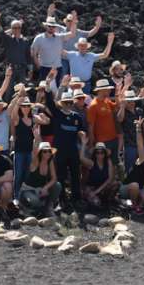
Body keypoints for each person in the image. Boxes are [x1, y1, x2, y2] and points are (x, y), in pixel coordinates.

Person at [45, 70, 86, 206]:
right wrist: (48, 84)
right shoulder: (57, 114)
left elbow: (82, 130)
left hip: (73, 150)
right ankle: (61, 199)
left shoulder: (76, 117)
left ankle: (76, 198)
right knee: (60, 176)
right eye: (65, 102)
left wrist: (82, 134)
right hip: (60, 151)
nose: (68, 105)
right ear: (61, 103)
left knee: (75, 175)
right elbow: (49, 101)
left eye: (70, 102)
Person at [9, 86, 50, 198]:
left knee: (27, 175)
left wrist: (44, 116)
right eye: (24, 106)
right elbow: (13, 114)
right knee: (18, 175)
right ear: (20, 107)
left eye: (28, 106)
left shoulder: (33, 118)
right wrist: (19, 100)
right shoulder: (17, 118)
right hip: (19, 151)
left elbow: (47, 122)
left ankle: (24, 196)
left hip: (30, 151)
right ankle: (16, 197)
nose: (26, 107)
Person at [19, 131, 62, 216]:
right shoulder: (35, 162)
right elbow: (34, 152)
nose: (48, 153)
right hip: (28, 190)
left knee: (57, 185)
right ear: (40, 153)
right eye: (44, 151)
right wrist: (36, 138)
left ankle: (48, 207)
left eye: (49, 151)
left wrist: (46, 187)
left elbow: (54, 178)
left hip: (40, 190)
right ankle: (25, 208)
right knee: (35, 201)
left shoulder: (50, 161)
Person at [57, 6, 102, 75]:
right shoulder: (61, 29)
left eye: (72, 21)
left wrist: (97, 26)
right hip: (63, 58)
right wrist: (49, 13)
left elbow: (90, 33)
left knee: (75, 77)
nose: (70, 23)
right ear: (65, 22)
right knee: (63, 76)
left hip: (74, 59)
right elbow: (49, 26)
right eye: (69, 21)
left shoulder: (79, 32)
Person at [86, 78, 122, 162]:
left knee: (113, 164)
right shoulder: (93, 106)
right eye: (107, 89)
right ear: (101, 90)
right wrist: (92, 144)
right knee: (105, 166)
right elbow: (90, 127)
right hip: (102, 142)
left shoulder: (107, 101)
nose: (109, 91)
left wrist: (117, 94)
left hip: (114, 139)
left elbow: (117, 106)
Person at [31, 15, 76, 81]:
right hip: (44, 68)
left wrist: (74, 22)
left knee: (56, 90)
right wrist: (38, 65)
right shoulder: (39, 38)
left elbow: (73, 33)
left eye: (53, 26)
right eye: (49, 26)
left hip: (57, 68)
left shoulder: (60, 37)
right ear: (46, 26)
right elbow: (33, 52)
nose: (51, 28)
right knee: (44, 88)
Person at [117, 87, 144, 174]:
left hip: (141, 144)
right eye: (129, 101)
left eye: (133, 101)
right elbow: (119, 119)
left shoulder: (139, 111)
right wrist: (122, 106)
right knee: (129, 167)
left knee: (141, 167)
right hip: (129, 144)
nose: (131, 103)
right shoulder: (123, 112)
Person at [80, 141, 118, 208]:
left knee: (115, 184)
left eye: (102, 152)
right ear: (95, 154)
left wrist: (97, 191)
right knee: (96, 203)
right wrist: (83, 144)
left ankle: (108, 200)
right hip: (92, 187)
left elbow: (110, 178)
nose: (100, 155)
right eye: (97, 152)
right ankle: (93, 199)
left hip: (102, 187)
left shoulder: (108, 161)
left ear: (105, 154)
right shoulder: (91, 163)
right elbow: (81, 158)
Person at [3, 19, 32, 86]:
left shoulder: (25, 41)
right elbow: (1, 33)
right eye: (15, 28)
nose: (17, 30)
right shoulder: (8, 40)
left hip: (22, 69)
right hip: (10, 69)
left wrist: (30, 69)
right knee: (8, 90)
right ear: (11, 29)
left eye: (19, 28)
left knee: (21, 90)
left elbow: (28, 56)